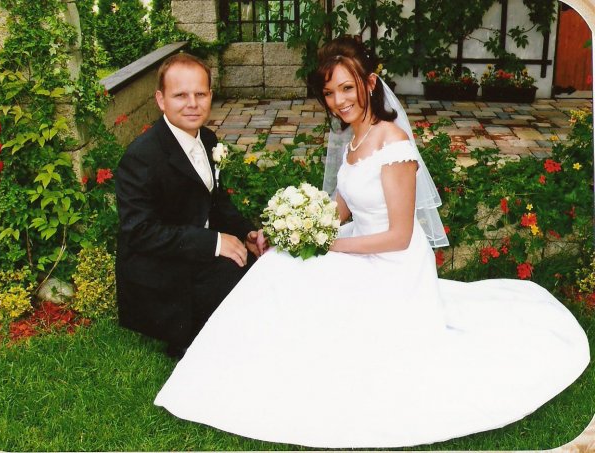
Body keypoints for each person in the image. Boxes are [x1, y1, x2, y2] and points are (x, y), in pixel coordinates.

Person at [153, 38, 589, 448]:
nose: (338, 100)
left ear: (370, 83)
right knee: (281, 260)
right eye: (330, 92)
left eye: (347, 88)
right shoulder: (355, 136)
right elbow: (342, 207)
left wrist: (329, 247)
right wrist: (293, 228)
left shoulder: (392, 142)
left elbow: (399, 236)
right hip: (361, 243)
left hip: (394, 265)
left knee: (305, 273)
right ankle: (253, 361)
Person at [115, 53, 266, 358]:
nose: (192, 104)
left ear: (210, 95)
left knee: (261, 265)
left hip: (193, 248)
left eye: (200, 94)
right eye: (180, 95)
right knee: (236, 275)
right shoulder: (141, 157)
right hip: (161, 266)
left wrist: (246, 233)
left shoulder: (207, 139)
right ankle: (187, 339)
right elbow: (141, 232)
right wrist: (214, 243)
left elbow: (216, 201)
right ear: (161, 100)